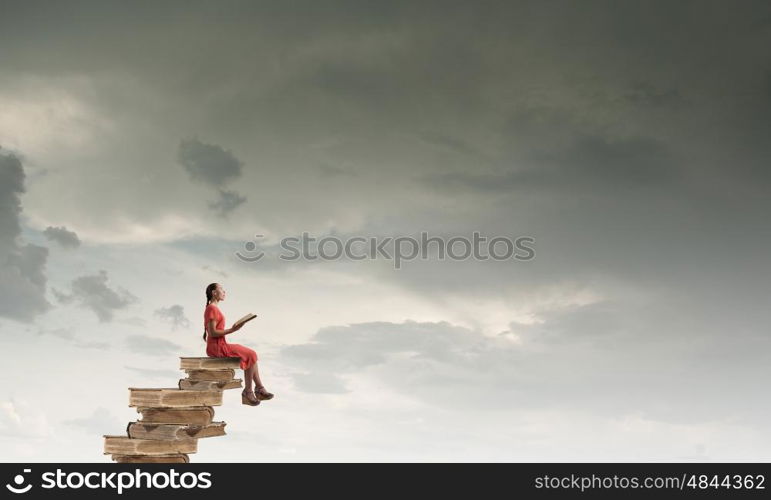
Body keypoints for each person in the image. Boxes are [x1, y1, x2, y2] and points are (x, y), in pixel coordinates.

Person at [203, 282, 274, 406]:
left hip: (220, 345)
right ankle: (250, 391)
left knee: (252, 356)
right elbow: (212, 333)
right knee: (251, 354)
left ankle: (258, 389)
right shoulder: (211, 308)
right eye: (221, 289)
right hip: (217, 348)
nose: (224, 292)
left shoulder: (214, 308)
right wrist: (233, 329)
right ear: (214, 293)